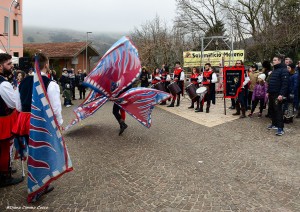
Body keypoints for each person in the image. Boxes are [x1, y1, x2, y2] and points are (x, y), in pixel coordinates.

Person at [13, 52, 63, 201]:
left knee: (33, 152)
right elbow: (55, 108)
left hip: (26, 120)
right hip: (42, 122)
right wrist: (58, 124)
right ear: (46, 64)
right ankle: (39, 186)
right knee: (44, 154)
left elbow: (18, 106)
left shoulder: (23, 82)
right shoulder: (50, 84)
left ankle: (38, 184)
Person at [0, 53, 23, 187]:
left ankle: (4, 171)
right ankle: (4, 176)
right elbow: (14, 103)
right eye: (8, 64)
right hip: (3, 119)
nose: (12, 66)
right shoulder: (3, 84)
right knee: (4, 148)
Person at [267, 55, 289, 136]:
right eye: (273, 60)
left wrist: (281, 94)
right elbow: (271, 82)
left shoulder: (284, 70)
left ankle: (280, 128)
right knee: (272, 109)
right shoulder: (275, 70)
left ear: (279, 61)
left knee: (278, 110)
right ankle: (274, 124)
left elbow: (285, 84)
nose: (273, 61)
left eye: (275, 60)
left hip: (278, 94)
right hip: (272, 93)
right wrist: (268, 91)